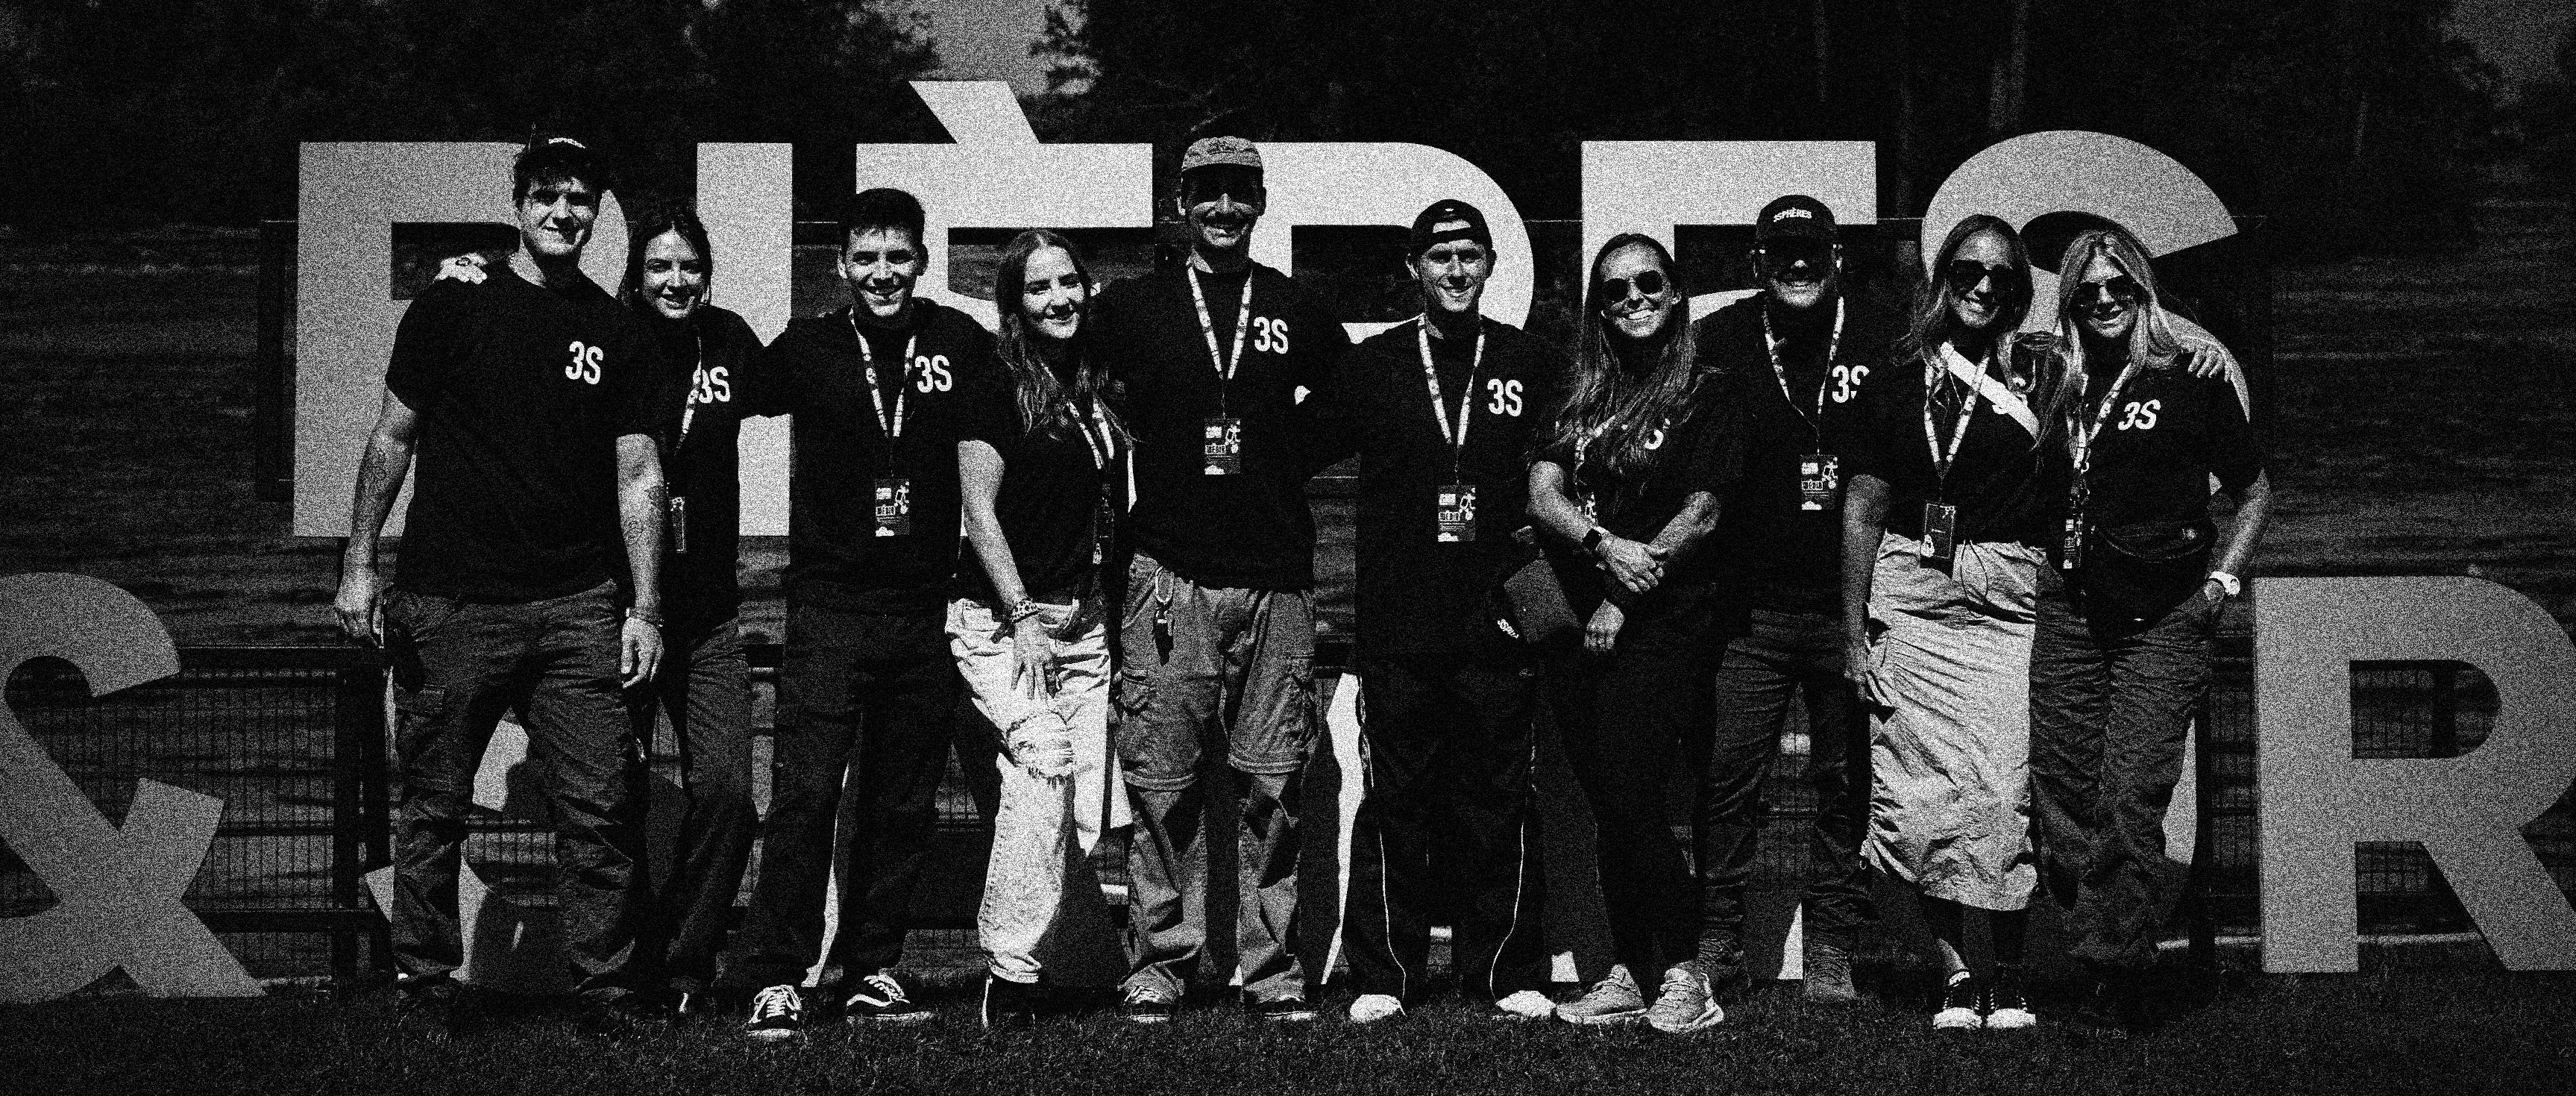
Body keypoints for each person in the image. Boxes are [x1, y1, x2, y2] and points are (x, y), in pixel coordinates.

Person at [333, 135, 668, 1035]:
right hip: (451, 599)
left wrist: (645, 607)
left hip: (577, 603)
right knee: (435, 803)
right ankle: (424, 981)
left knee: (599, 803)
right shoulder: (454, 300)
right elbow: (392, 437)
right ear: (518, 204)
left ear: (598, 213)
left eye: (579, 198)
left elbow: (639, 473)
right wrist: (359, 563)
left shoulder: (617, 329)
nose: (564, 212)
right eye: (547, 195)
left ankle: (606, 988)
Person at [436, 202, 764, 1019]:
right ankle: (630, 970)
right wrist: (471, 267)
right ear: (635, 274)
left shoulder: (730, 341)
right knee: (612, 798)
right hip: (615, 612)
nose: (676, 281)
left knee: (728, 792)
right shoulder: (606, 336)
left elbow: (829, 384)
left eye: (689, 267)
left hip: (709, 619)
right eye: (659, 267)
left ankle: (684, 961)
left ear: (708, 273)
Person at [715, 188, 997, 1039]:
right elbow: (714, 372)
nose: (882, 272)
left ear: (922, 260)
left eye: (897, 255)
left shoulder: (957, 340)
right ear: (841, 265)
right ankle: (776, 974)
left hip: (922, 607)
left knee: (902, 802)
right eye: (866, 257)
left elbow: (1038, 364)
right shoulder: (810, 345)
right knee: (805, 793)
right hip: (830, 606)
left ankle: (873, 966)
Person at [1086, 135, 1350, 1023]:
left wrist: (1280, 454)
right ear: (1180, 203)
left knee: (1272, 785)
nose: (1224, 208)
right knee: (1163, 784)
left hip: (1275, 578)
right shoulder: (1134, 307)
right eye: (1208, 192)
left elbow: (1346, 401)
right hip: (1169, 575)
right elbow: (1083, 388)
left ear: (1262, 202)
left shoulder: (1294, 308)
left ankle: (1271, 970)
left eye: (1240, 192)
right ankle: (1161, 962)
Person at [1298, 200, 1563, 1024]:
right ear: (1413, 268)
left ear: (1491, 265)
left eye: (1469, 255)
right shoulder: (1374, 364)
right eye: (1440, 256)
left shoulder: (1528, 361)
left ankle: (1506, 968)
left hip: (1497, 623)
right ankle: (1387, 972)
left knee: (1499, 799)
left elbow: (1569, 472)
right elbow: (1287, 448)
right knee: (1395, 802)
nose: (1455, 270)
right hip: (1398, 623)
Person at [2028, 225, 2270, 1030]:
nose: (2104, 301)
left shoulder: (2191, 376)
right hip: (2071, 610)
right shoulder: (2051, 380)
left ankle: (2117, 972)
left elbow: (2255, 492)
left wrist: (2220, 583)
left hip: (2165, 615)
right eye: (2087, 290)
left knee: (2131, 796)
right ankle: (2102, 942)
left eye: (2119, 287)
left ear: (2141, 290)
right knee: (2061, 797)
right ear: (2069, 300)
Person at [1841, 213, 2073, 1031]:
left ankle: (2008, 973)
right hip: (1912, 590)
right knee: (1922, 792)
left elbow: (2130, 365)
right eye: (1968, 271)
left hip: (2006, 596)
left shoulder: (2045, 377)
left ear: (2018, 290)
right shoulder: (1896, 380)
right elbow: (1863, 509)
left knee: (2003, 790)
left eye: (2001, 276)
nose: (1983, 286)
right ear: (1943, 279)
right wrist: (1852, 633)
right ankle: (1956, 972)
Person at [1528, 234, 1744, 1033]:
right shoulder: (1582, 391)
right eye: (1615, 290)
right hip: (1573, 623)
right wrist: (1599, 544)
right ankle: (1626, 968)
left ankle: (1686, 971)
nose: (1634, 300)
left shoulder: (1708, 391)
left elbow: (1703, 511)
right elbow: (1543, 492)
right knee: (1610, 804)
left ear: (1676, 292)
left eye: (1648, 283)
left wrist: (1624, 587)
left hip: (1661, 623)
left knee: (1630, 790)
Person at [1688, 195, 1896, 1006]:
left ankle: (1833, 946)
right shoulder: (1719, 339)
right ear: (1757, 263)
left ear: (1837, 258)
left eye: (1812, 251)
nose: (1798, 265)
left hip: (1850, 607)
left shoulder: (1880, 336)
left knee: (1845, 783)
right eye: (1782, 253)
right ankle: (1716, 942)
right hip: (1750, 609)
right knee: (1729, 779)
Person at [952, 230, 1131, 1029]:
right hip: (1003, 619)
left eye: (1067, 282)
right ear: (1014, 304)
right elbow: (978, 509)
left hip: (1083, 621)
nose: (1058, 298)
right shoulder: (996, 382)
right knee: (1044, 762)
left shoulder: (1094, 381)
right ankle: (1011, 970)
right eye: (1038, 287)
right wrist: (1022, 613)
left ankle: (1068, 963)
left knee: (1082, 807)